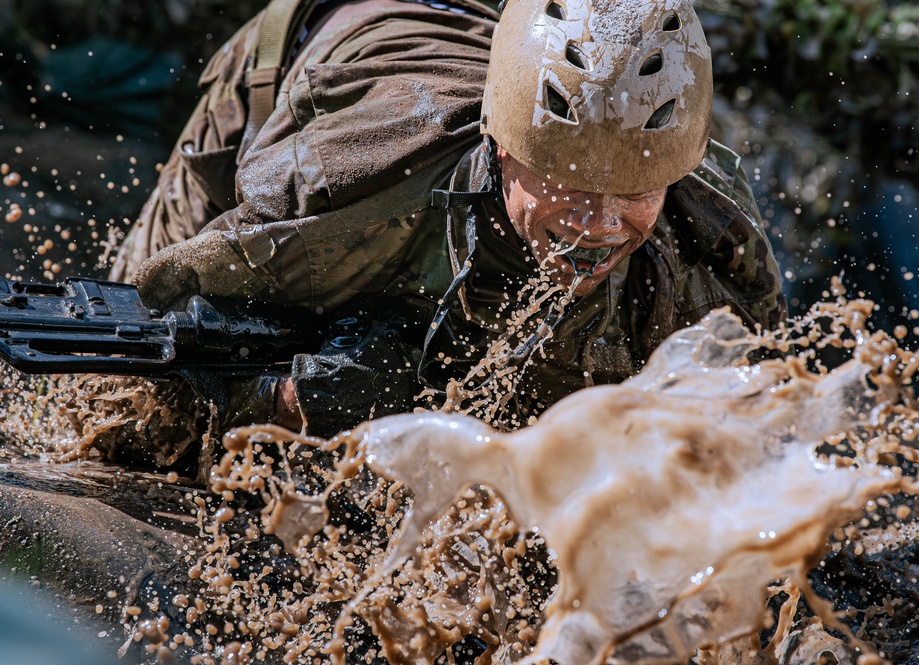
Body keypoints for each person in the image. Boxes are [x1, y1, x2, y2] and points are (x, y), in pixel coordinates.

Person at [111, 0, 786, 438]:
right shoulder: (331, 199)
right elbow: (126, 377)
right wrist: (283, 397)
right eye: (570, 184)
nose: (600, 224)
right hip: (303, 59)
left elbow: (758, 449)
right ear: (501, 144)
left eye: (636, 191)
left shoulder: (707, 246)